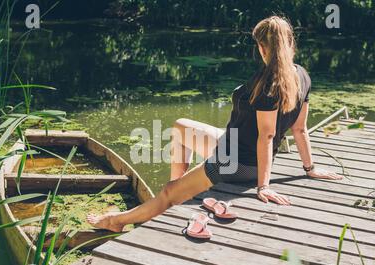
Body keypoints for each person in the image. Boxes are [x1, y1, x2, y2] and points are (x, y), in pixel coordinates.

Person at [87, 16, 342, 232]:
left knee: (166, 193)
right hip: (235, 148)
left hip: (235, 162)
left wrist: (263, 186)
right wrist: (310, 168)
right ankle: (180, 188)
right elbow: (299, 128)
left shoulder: (267, 85)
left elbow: (266, 136)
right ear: (289, 43)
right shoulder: (303, 75)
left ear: (263, 48)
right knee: (180, 127)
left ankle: (116, 221)